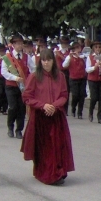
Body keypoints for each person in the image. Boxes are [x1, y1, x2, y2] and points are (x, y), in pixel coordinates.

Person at [21, 49, 75, 185]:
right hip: (40, 117)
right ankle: (46, 172)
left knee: (57, 146)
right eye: (44, 60)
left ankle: (59, 170)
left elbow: (64, 95)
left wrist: (54, 106)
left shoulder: (61, 76)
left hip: (56, 116)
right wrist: (43, 105)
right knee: (44, 147)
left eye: (49, 60)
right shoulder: (34, 76)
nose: (46, 63)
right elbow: (27, 96)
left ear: (53, 61)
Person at [2, 35, 35, 139]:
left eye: (21, 43)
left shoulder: (26, 57)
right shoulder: (7, 57)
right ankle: (10, 128)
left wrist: (29, 79)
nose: (20, 45)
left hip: (23, 86)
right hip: (11, 86)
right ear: (13, 45)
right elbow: (4, 72)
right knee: (13, 107)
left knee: (21, 108)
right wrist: (14, 77)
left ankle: (19, 130)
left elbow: (33, 69)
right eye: (17, 43)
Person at [86, 41, 101, 124]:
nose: (98, 49)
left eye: (99, 47)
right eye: (96, 47)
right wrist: (95, 67)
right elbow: (87, 69)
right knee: (94, 97)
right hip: (92, 80)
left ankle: (100, 116)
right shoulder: (90, 57)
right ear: (93, 48)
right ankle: (90, 112)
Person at [62, 42, 87, 119]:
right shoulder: (70, 57)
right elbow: (64, 65)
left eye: (79, 48)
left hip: (82, 78)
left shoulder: (83, 57)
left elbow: (87, 64)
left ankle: (80, 112)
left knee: (82, 95)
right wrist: (69, 57)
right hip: (73, 78)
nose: (78, 50)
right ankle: (73, 107)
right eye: (76, 48)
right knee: (75, 95)